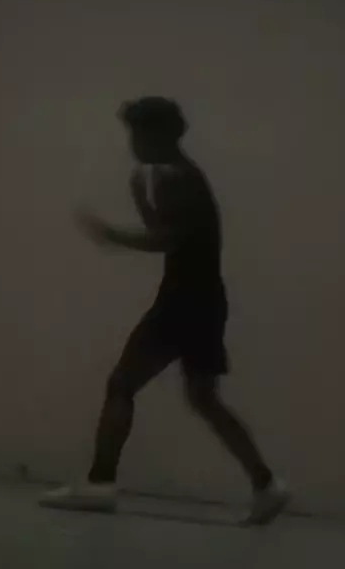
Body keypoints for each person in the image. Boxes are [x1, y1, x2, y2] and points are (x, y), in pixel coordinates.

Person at [41, 97, 288, 524]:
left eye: (137, 134)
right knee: (203, 397)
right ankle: (266, 484)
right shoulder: (185, 176)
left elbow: (165, 240)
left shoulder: (177, 179)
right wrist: (141, 199)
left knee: (121, 385)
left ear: (158, 135)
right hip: (207, 300)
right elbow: (170, 231)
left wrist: (112, 235)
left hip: (181, 301)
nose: (132, 144)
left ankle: (100, 483)